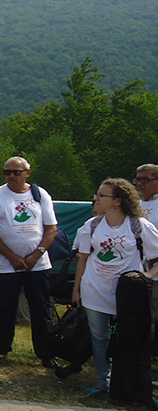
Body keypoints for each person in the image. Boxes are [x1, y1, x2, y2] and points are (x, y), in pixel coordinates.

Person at [73, 178, 158, 395]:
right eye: (97, 194)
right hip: (94, 289)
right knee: (99, 336)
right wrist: (77, 289)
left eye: (102, 195)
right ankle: (103, 381)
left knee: (126, 338)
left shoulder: (139, 226)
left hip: (127, 294)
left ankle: (124, 382)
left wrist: (146, 276)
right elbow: (83, 259)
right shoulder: (91, 226)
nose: (96, 199)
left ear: (118, 201)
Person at [0, 157, 58, 362]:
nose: (11, 176)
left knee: (41, 309)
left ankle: (46, 353)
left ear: (27, 173)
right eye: (7, 172)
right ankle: (1, 349)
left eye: (16, 172)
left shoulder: (40, 195)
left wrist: (36, 255)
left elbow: (51, 229)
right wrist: (12, 257)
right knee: (3, 308)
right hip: (5, 266)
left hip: (37, 264)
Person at [133, 163, 158, 357]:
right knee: (142, 317)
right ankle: (143, 358)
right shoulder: (135, 205)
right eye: (137, 179)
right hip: (137, 271)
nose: (139, 183)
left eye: (145, 179)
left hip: (155, 272)